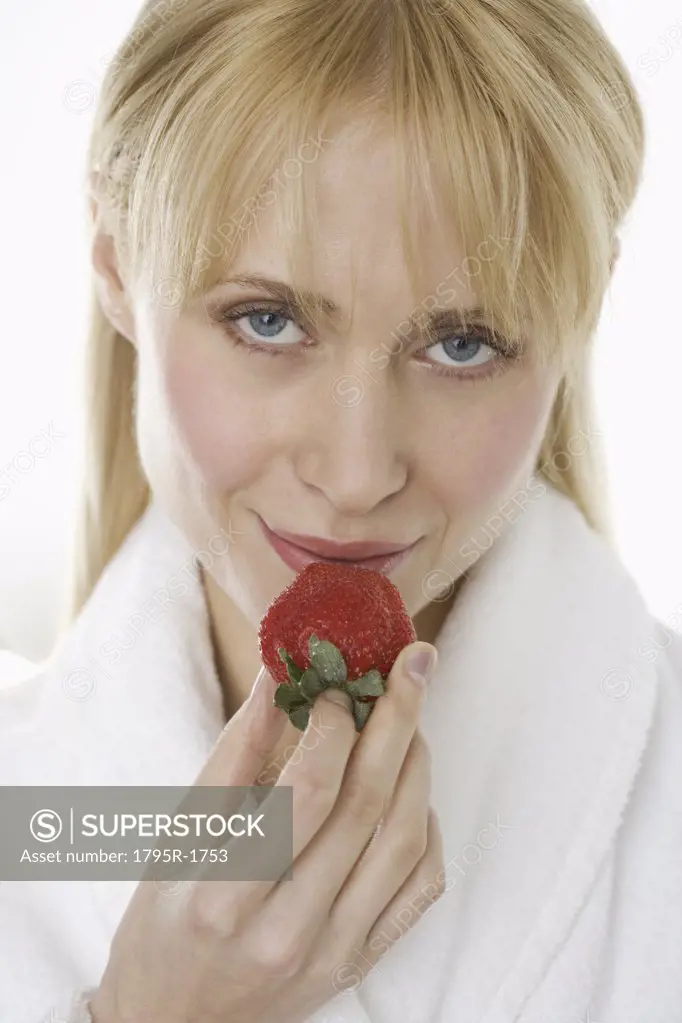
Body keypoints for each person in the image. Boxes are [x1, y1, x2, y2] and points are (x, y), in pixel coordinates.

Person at [1, 0, 681, 1020]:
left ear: (579, 312)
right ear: (114, 264)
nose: (358, 474)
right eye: (266, 322)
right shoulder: (30, 805)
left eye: (461, 344)